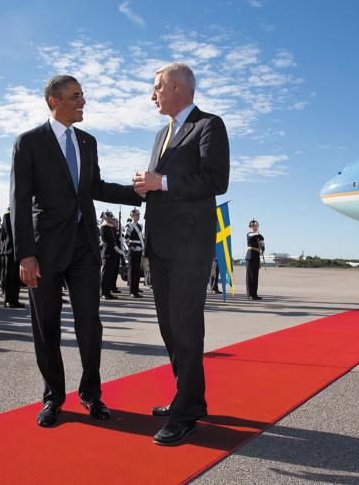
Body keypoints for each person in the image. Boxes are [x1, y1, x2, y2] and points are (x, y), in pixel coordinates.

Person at [10, 74, 141, 427]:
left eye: (83, 95)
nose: (83, 101)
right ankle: (53, 397)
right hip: (44, 249)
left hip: (84, 245)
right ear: (54, 100)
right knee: (46, 326)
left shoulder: (87, 141)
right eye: (75, 96)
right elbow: (19, 201)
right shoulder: (29, 142)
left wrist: (138, 192)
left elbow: (94, 186)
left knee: (90, 325)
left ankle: (91, 394)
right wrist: (25, 253)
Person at [133, 62, 230, 446]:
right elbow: (161, 186)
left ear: (177, 87)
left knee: (186, 328)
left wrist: (163, 181)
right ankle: (189, 396)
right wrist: (147, 187)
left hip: (190, 248)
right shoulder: (162, 133)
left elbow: (215, 180)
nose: (152, 94)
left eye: (157, 87)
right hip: (160, 246)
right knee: (170, 328)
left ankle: (186, 414)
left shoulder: (209, 126)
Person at [0, 207, 23, 308]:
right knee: (9, 275)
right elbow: (9, 231)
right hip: (9, 249)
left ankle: (15, 299)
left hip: (19, 249)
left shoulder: (22, 215)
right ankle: (8, 299)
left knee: (16, 276)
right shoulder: (7, 215)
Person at [122, 208, 144, 298]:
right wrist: (132, 247)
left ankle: (136, 288)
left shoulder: (139, 226)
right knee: (132, 271)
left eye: (138, 215)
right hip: (133, 249)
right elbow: (126, 239)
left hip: (139, 249)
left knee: (137, 270)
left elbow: (141, 239)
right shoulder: (129, 225)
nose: (137, 216)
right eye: (135, 215)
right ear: (131, 216)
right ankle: (132, 291)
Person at [99, 211, 119, 299]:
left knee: (110, 274)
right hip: (107, 252)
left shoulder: (112, 228)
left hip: (112, 253)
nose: (111, 218)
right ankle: (103, 292)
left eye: (111, 217)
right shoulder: (103, 227)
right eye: (109, 217)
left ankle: (108, 292)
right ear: (104, 218)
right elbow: (107, 241)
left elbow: (115, 240)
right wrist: (116, 249)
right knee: (105, 274)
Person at [245, 219, 264, 300]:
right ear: (250, 227)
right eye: (253, 226)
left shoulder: (259, 236)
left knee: (255, 276)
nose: (254, 227)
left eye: (256, 225)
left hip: (256, 256)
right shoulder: (249, 234)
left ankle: (254, 294)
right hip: (250, 256)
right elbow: (251, 239)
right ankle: (250, 294)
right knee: (250, 276)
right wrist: (258, 235)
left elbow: (262, 245)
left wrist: (262, 248)